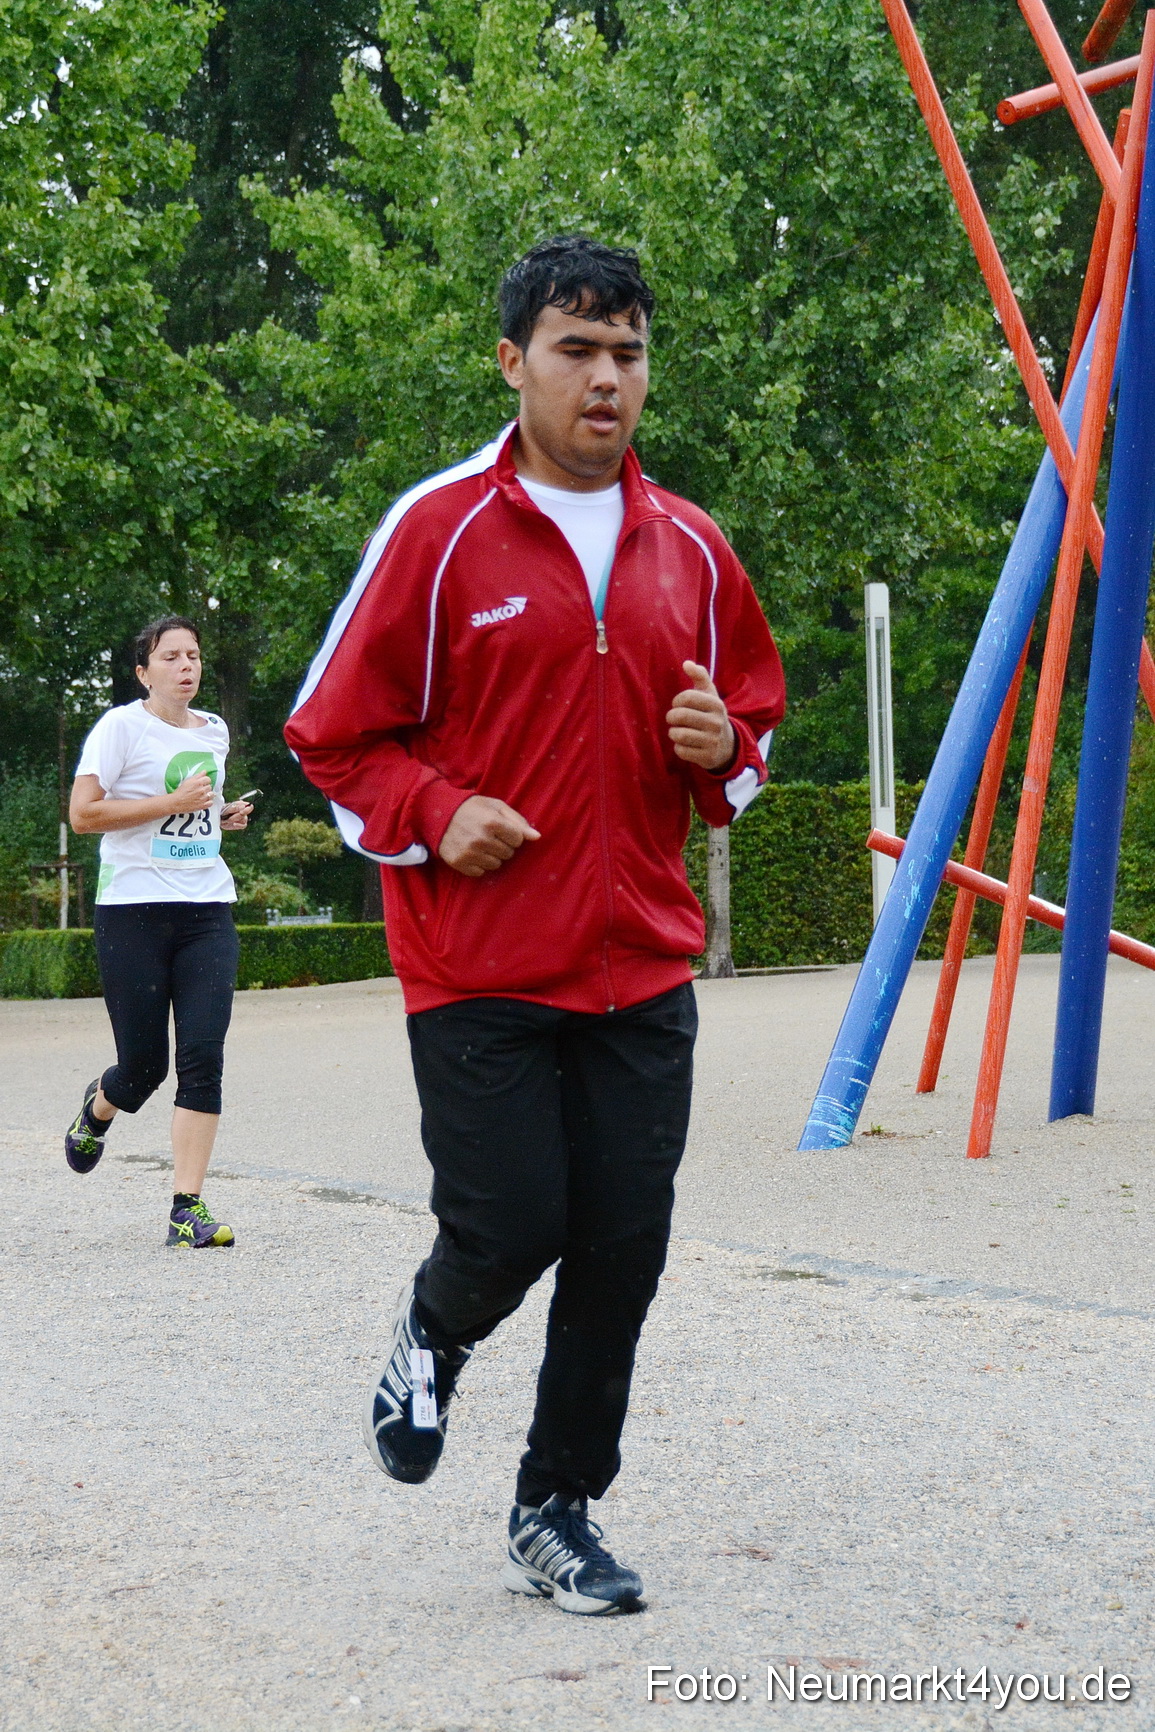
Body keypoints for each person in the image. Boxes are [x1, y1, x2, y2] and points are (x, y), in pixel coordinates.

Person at [284, 235, 785, 1613]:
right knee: (509, 1223)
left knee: (622, 1245)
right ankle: (430, 1333)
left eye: (626, 352)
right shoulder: (436, 532)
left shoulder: (687, 544)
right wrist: (436, 810)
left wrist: (714, 748)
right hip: (479, 966)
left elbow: (747, 737)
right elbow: (331, 741)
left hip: (642, 965)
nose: (605, 378)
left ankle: (555, 1506)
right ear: (512, 363)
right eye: (574, 350)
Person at [64, 616, 254, 1248]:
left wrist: (220, 816)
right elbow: (84, 814)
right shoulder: (120, 727)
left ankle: (186, 1208)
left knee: (203, 1057)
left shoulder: (216, 731)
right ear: (144, 672)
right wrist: (169, 806)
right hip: (133, 911)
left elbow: (195, 814)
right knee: (143, 1067)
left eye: (193, 654)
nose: (186, 665)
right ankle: (99, 1106)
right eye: (170, 656)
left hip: (206, 909)